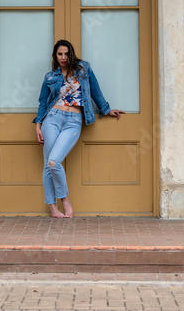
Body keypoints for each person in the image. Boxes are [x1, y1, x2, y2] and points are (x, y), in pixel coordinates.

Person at [33, 39, 125, 218]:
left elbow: (95, 91)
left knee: (53, 161)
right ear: (55, 55)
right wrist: (38, 125)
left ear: (71, 54)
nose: (63, 58)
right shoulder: (50, 77)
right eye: (60, 54)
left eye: (66, 54)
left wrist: (106, 110)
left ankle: (64, 199)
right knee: (47, 165)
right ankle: (53, 208)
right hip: (51, 119)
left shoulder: (83, 69)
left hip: (74, 120)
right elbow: (43, 103)